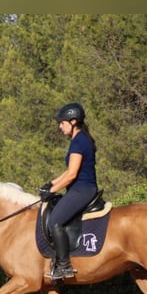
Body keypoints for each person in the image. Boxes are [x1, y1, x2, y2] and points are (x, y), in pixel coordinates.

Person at [39, 102, 99, 280]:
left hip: (82, 189)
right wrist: (50, 184)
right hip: (80, 187)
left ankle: (64, 265)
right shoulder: (78, 140)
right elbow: (68, 172)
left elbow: (72, 175)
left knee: (55, 221)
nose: (60, 126)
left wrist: (52, 191)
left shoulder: (79, 142)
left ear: (73, 121)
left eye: (62, 122)